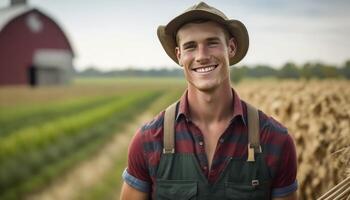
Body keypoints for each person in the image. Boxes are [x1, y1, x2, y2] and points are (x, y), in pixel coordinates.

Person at [120, 2, 298, 200]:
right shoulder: (149, 141)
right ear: (179, 55)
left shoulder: (275, 140)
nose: (202, 56)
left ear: (231, 47)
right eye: (190, 46)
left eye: (212, 43)